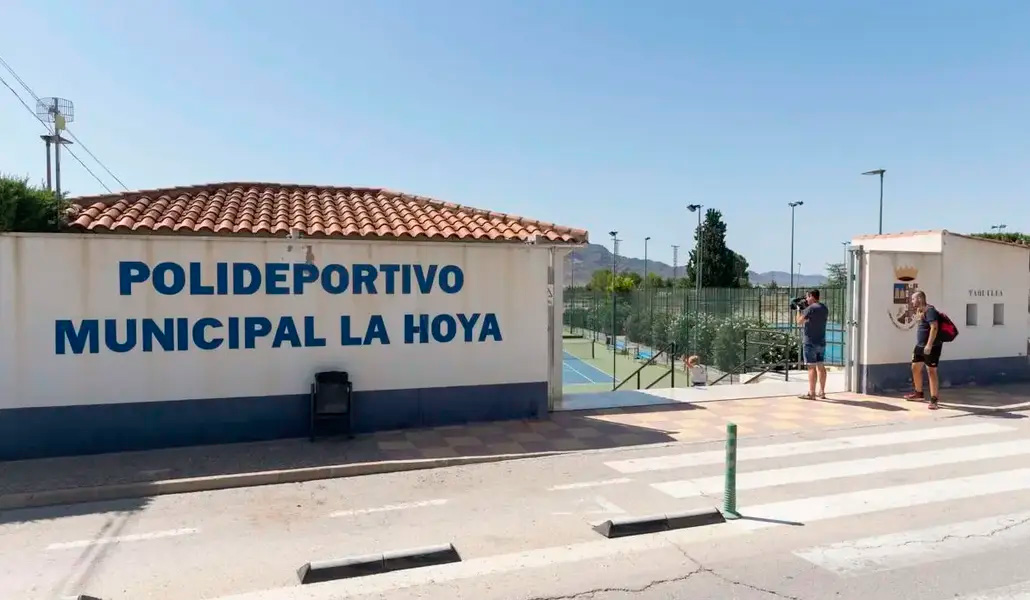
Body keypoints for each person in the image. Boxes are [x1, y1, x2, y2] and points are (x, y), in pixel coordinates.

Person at [905, 290, 942, 410]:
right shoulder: (920, 310)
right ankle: (918, 393)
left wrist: (929, 345)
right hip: (920, 346)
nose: (912, 301)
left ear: (920, 299)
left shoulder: (930, 310)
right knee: (915, 367)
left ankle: (934, 400)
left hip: (931, 346)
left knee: (931, 371)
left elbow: (934, 327)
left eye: (913, 299)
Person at [796, 289, 829, 399]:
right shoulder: (824, 308)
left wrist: (798, 309)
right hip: (821, 342)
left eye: (807, 297)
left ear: (812, 296)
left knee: (811, 367)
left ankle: (812, 393)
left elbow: (799, 321)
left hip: (810, 342)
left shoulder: (810, 309)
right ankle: (822, 392)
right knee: (821, 366)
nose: (806, 299)